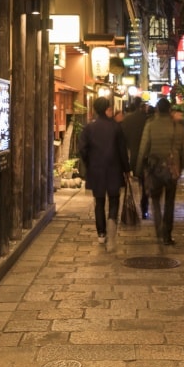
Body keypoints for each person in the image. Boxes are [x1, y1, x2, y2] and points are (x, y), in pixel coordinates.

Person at [136, 97, 184, 246]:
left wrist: (139, 166)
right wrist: (181, 166)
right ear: (169, 110)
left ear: (158, 110)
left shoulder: (150, 124)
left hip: (154, 168)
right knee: (169, 202)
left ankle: (158, 226)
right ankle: (167, 234)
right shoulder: (178, 127)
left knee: (154, 198)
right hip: (172, 169)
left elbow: (144, 147)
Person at [77, 95, 129, 251]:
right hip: (114, 169)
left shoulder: (89, 127)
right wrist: (127, 169)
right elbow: (122, 151)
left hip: (96, 170)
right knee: (114, 199)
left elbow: (82, 149)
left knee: (99, 202)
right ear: (107, 108)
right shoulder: (115, 127)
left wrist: (88, 164)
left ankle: (101, 233)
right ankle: (112, 221)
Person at [119, 98, 150, 219]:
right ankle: (144, 208)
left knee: (132, 182)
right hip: (146, 158)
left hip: (132, 157)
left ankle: (131, 207)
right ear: (141, 107)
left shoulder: (127, 120)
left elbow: (122, 142)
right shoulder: (147, 120)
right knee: (144, 184)